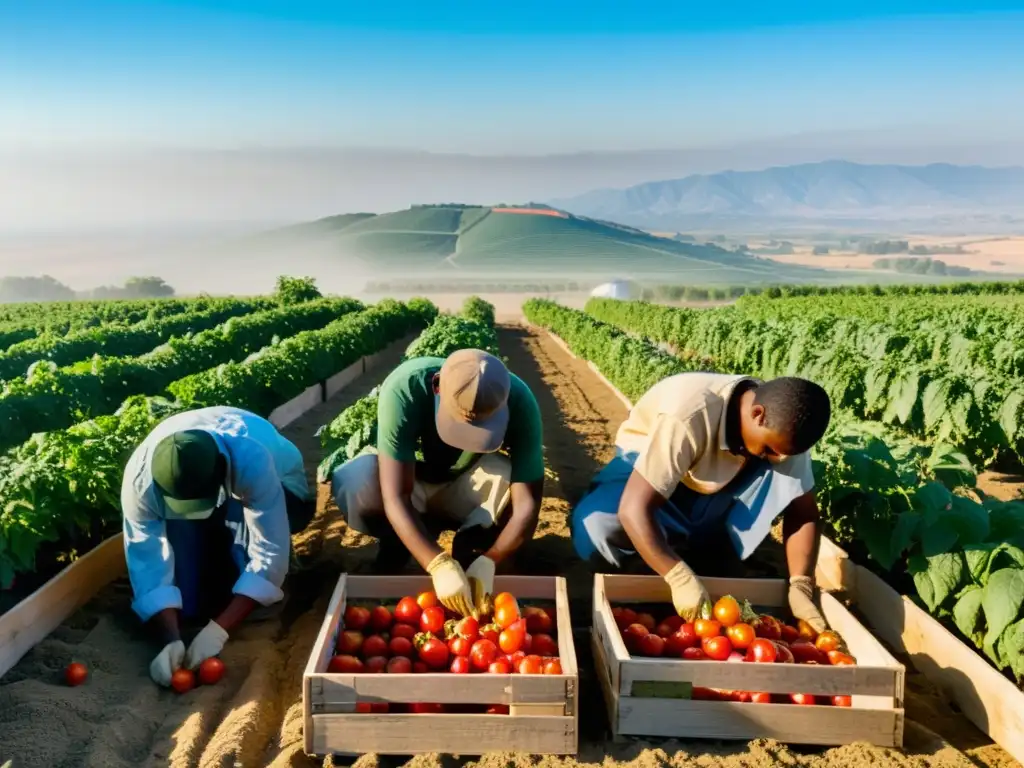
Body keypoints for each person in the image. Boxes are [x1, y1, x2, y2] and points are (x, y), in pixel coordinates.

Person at [572, 373, 832, 631]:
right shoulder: (690, 413)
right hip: (643, 471)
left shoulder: (785, 431)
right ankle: (644, 573)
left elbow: (804, 512)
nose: (777, 458)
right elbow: (634, 508)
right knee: (599, 527)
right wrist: (678, 577)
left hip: (716, 485)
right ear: (757, 414)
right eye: (770, 450)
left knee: (713, 558)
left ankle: (697, 546)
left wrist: (801, 584)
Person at [331, 348, 544, 617]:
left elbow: (528, 503)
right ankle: (399, 544)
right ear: (436, 387)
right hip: (412, 480)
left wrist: (493, 558)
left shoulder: (521, 401)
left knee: (512, 486)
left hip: (468, 484)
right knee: (357, 481)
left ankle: (473, 550)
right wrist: (438, 563)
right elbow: (395, 495)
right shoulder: (405, 388)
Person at [121, 405, 314, 688]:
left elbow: (270, 550)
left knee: (247, 576)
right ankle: (214, 543)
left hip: (284, 486)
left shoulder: (251, 457)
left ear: (222, 469)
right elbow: (147, 559)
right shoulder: (139, 481)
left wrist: (220, 630)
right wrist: (171, 638)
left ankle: (232, 545)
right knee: (193, 605)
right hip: (211, 486)